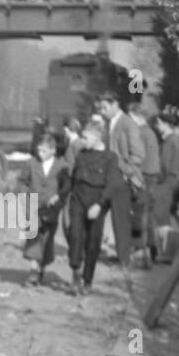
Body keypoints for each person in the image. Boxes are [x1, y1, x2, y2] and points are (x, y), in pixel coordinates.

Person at [67, 120, 123, 296]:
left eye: (86, 137)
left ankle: (87, 280)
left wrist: (99, 205)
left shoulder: (110, 158)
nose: (83, 141)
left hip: (97, 202)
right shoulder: (81, 155)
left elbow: (113, 183)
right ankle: (76, 270)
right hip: (78, 200)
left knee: (93, 243)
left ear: (97, 137)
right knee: (75, 235)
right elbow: (73, 179)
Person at [96, 91, 140, 269]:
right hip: (107, 178)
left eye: (104, 108)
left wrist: (125, 172)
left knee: (120, 220)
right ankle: (95, 250)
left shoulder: (128, 124)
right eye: (100, 108)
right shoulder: (108, 124)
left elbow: (138, 155)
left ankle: (124, 259)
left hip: (121, 180)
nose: (102, 111)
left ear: (115, 104)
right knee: (96, 214)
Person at [24, 133, 65, 288]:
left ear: (53, 150)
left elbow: (65, 187)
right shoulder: (31, 164)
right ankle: (33, 270)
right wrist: (24, 195)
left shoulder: (61, 166)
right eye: (39, 150)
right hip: (33, 205)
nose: (40, 154)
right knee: (33, 236)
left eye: (44, 151)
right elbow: (22, 181)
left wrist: (59, 199)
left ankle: (41, 267)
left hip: (51, 209)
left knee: (47, 238)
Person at [129, 101, 160, 263]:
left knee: (140, 214)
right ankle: (152, 246)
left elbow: (138, 158)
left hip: (143, 177)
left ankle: (141, 249)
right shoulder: (151, 132)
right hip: (152, 176)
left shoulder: (140, 133)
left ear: (137, 116)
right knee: (148, 214)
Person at [152, 111, 179, 257]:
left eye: (159, 123)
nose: (157, 126)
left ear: (166, 124)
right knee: (164, 216)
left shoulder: (169, 141)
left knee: (161, 216)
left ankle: (164, 252)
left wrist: (156, 179)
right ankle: (165, 250)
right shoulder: (173, 139)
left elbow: (164, 164)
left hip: (165, 182)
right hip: (171, 180)